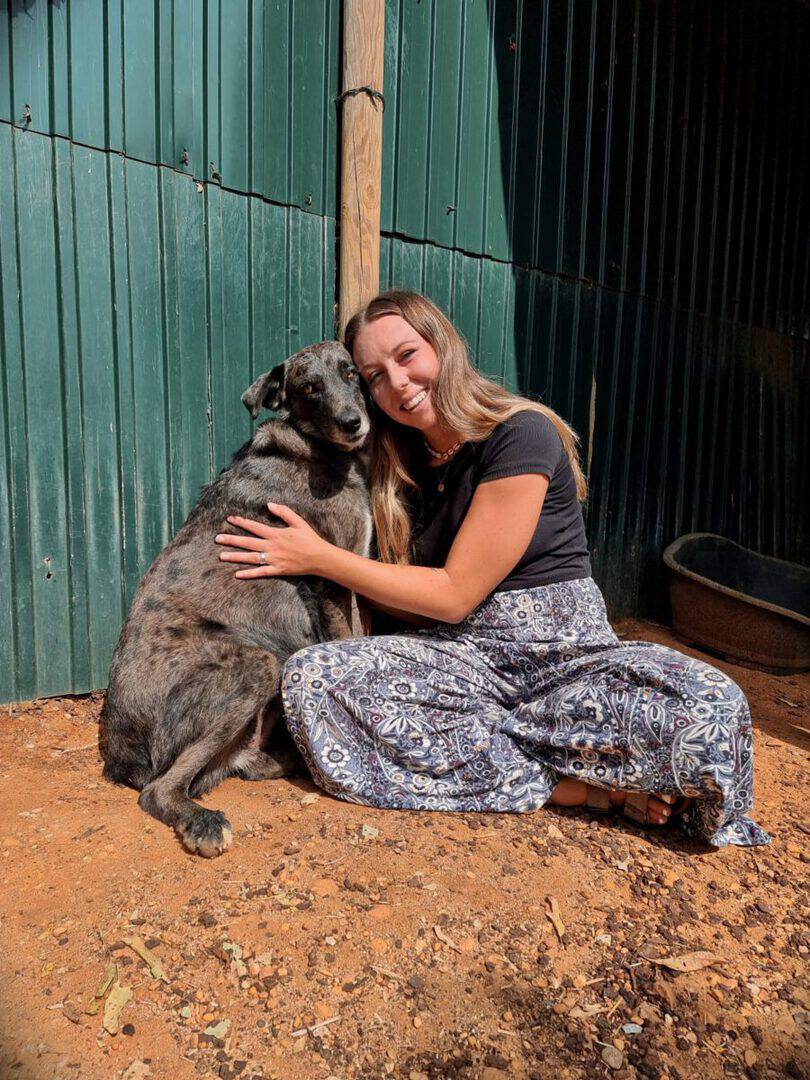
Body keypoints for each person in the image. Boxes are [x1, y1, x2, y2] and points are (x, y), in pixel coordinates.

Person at [215, 291, 769, 847]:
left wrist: (320, 557)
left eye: (407, 356)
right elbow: (418, 604)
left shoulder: (519, 432)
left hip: (562, 661)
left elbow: (454, 593)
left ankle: (505, 749)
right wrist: (315, 568)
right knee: (314, 677)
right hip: (462, 660)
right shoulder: (396, 468)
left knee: (710, 708)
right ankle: (584, 787)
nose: (398, 383)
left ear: (442, 346)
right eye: (376, 376)